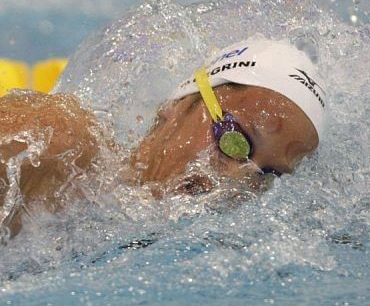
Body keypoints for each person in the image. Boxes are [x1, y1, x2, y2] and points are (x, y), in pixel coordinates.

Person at [0, 37, 327, 237]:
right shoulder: (56, 144)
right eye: (236, 141)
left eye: (266, 175)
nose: (236, 179)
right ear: (179, 103)